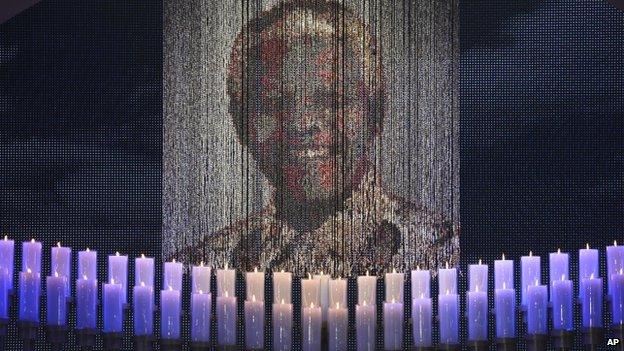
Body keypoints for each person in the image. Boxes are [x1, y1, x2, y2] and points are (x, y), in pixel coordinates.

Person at [176, 0, 459, 276]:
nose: (302, 123)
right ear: (240, 125)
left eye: (333, 100)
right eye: (274, 103)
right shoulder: (202, 270)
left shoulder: (444, 260)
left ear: (375, 114)